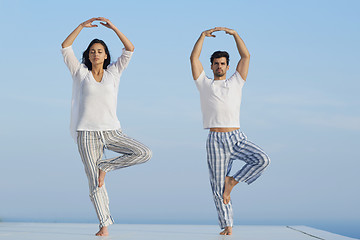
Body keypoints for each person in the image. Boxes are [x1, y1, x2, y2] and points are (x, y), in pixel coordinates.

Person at [61, 17, 152, 236]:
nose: (95, 54)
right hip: (86, 134)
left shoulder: (114, 72)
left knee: (144, 153)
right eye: (92, 51)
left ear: (106, 55)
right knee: (95, 183)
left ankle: (106, 166)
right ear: (88, 55)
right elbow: (65, 47)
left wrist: (114, 28)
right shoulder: (80, 73)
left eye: (100, 50)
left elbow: (130, 49)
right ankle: (104, 224)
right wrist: (81, 26)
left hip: (112, 131)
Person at [190, 27, 270, 235]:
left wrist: (235, 35)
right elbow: (193, 57)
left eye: (222, 63)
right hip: (215, 139)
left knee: (262, 159)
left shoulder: (236, 82)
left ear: (227, 66)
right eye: (216, 63)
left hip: (236, 137)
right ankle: (228, 226)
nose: (219, 66)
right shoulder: (204, 84)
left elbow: (246, 55)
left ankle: (232, 181)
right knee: (217, 186)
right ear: (211, 66)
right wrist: (202, 37)